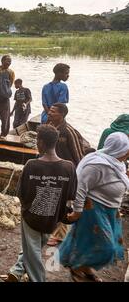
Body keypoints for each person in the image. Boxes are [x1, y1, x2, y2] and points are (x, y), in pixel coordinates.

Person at [6, 125, 78, 282]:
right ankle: (17, 271)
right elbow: (70, 195)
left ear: (42, 143)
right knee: (34, 247)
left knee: (32, 250)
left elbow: (21, 194)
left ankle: (37, 279)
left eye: (37, 140)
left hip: (31, 216)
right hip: (53, 218)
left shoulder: (31, 165)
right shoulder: (69, 167)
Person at [59, 132, 129, 282]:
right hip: (94, 210)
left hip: (110, 210)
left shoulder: (118, 163)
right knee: (107, 248)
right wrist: (77, 212)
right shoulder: (97, 164)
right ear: (120, 149)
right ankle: (78, 266)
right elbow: (80, 188)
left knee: (87, 241)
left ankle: (84, 267)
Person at [46, 103, 90, 246]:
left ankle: (60, 236)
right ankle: (53, 227)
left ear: (62, 115)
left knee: (64, 203)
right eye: (50, 110)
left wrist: (77, 177)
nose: (49, 113)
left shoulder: (68, 132)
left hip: (67, 172)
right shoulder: (49, 126)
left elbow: (78, 156)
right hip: (52, 170)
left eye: (53, 112)